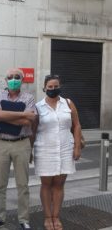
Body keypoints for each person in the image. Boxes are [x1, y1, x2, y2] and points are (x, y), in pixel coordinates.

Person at [33, 75, 81, 230]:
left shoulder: (68, 103)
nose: (53, 89)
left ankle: (56, 216)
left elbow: (77, 125)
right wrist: (30, 150)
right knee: (46, 184)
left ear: (60, 86)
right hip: (44, 149)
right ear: (44, 88)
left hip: (65, 148)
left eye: (56, 86)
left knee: (59, 184)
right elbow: (33, 131)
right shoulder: (38, 106)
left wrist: (77, 147)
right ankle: (48, 217)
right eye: (50, 87)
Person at [0, 68, 36, 230]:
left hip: (22, 143)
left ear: (22, 80)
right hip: (1, 143)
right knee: (0, 183)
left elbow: (29, 120)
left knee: (23, 184)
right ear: (5, 79)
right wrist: (20, 115)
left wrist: (4, 116)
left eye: (17, 77)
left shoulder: (29, 98)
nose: (14, 79)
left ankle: (24, 219)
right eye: (10, 77)